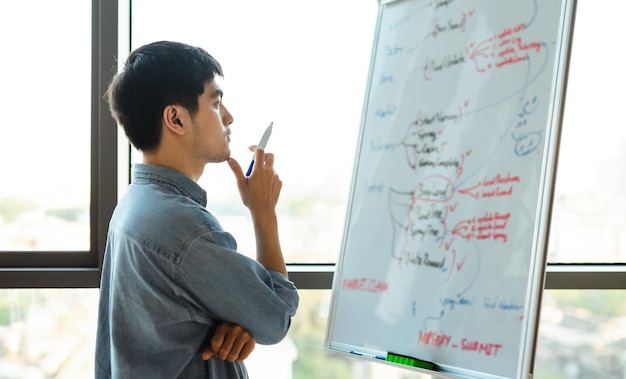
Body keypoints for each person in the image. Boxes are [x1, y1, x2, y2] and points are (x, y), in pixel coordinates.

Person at [95, 40, 299, 378]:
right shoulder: (184, 228)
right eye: (216, 102)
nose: (229, 117)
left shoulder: (135, 203)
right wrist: (263, 211)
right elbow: (276, 319)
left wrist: (237, 321)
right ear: (175, 118)